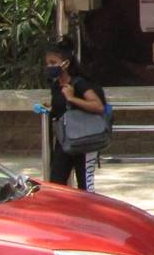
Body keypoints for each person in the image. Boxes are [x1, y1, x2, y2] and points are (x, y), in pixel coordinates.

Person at [44, 37, 107, 192]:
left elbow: (98, 106)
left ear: (66, 64)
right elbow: (62, 108)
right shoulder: (56, 85)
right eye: (48, 63)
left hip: (85, 139)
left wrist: (72, 98)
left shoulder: (80, 83)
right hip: (65, 140)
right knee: (56, 182)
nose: (49, 67)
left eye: (53, 63)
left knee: (85, 186)